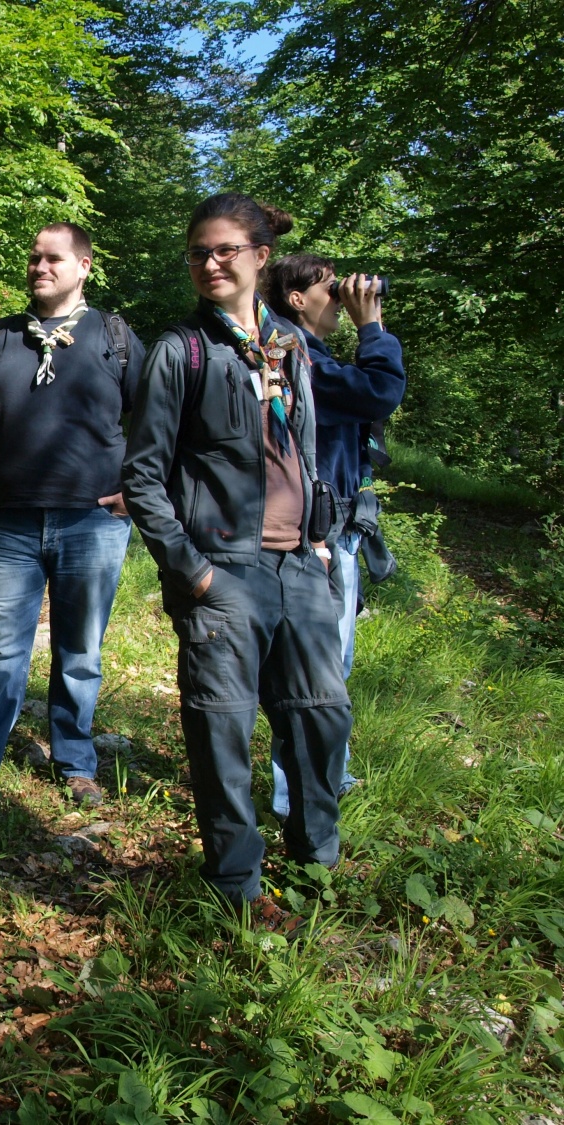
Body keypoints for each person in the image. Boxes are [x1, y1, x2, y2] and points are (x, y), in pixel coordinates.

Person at [121, 194, 353, 929]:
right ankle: (238, 889)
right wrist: (193, 572)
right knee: (222, 733)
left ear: (260, 257)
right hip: (223, 569)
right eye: (199, 251)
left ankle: (315, 865)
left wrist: (319, 541)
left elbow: (305, 448)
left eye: (225, 250)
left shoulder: (289, 344)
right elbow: (143, 477)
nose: (210, 263)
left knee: (322, 718)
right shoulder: (181, 351)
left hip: (299, 567)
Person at [0, 222, 144, 820]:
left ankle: (75, 761)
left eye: (54, 258)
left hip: (93, 523)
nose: (40, 267)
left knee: (80, 651)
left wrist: (137, 488)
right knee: (0, 649)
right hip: (8, 523)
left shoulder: (115, 336)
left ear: (84, 266)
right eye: (34, 258)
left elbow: (156, 419)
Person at [263, 255, 406, 820]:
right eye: (332, 288)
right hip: (317, 536)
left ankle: (326, 779)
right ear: (297, 298)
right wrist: (373, 327)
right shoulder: (292, 354)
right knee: (313, 674)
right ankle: (299, 800)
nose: (343, 299)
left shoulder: (311, 354)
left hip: (337, 529)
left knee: (328, 668)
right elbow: (379, 391)